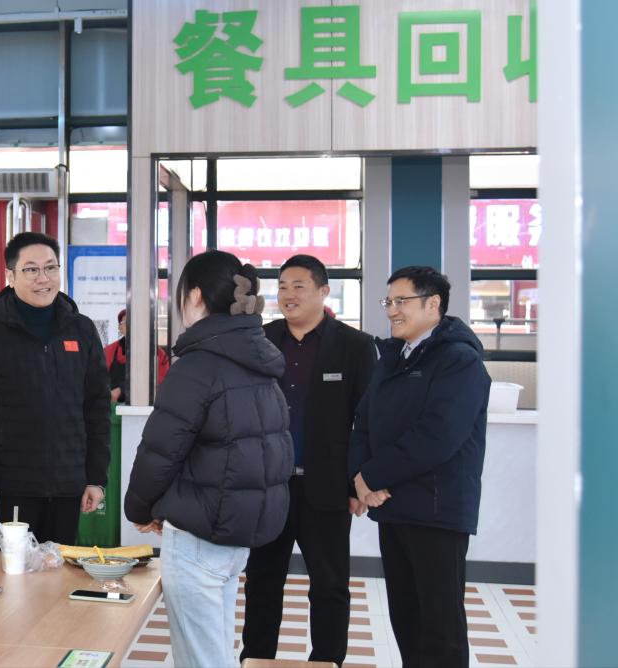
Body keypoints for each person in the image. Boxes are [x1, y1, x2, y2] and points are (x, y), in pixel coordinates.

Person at [124, 251, 293, 668]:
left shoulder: (199, 365)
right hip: (234, 535)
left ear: (196, 296)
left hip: (199, 537)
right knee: (215, 651)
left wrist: (140, 508)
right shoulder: (258, 360)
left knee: (201, 658)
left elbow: (161, 451)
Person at [349, 266, 491, 668]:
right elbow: (363, 422)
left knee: (440, 628)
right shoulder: (394, 358)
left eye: (402, 301)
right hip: (393, 508)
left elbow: (438, 435)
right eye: (388, 301)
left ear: (433, 304)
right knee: (407, 619)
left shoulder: (459, 360)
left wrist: (371, 476)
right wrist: (360, 477)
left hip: (437, 512)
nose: (392, 310)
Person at [240, 254, 376, 665]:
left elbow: (367, 422)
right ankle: (256, 659)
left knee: (330, 586)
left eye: (298, 286)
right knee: (262, 582)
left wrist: (356, 482)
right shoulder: (260, 340)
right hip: (270, 488)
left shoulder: (355, 346)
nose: (288, 294)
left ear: (323, 291)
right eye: (282, 286)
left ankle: (327, 661)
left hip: (327, 488)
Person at [0, 232, 110, 548]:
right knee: (11, 572)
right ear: (10, 276)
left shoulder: (82, 330)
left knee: (60, 572)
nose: (43, 278)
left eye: (50, 268)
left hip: (68, 486)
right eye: (31, 269)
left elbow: (96, 407)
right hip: (12, 488)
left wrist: (96, 478)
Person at [103, 309, 170, 404]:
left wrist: (122, 391)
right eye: (126, 323)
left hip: (147, 408)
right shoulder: (109, 351)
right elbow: (99, 381)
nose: (132, 327)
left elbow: (162, 386)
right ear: (120, 327)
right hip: (113, 408)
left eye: (136, 323)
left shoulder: (159, 354)